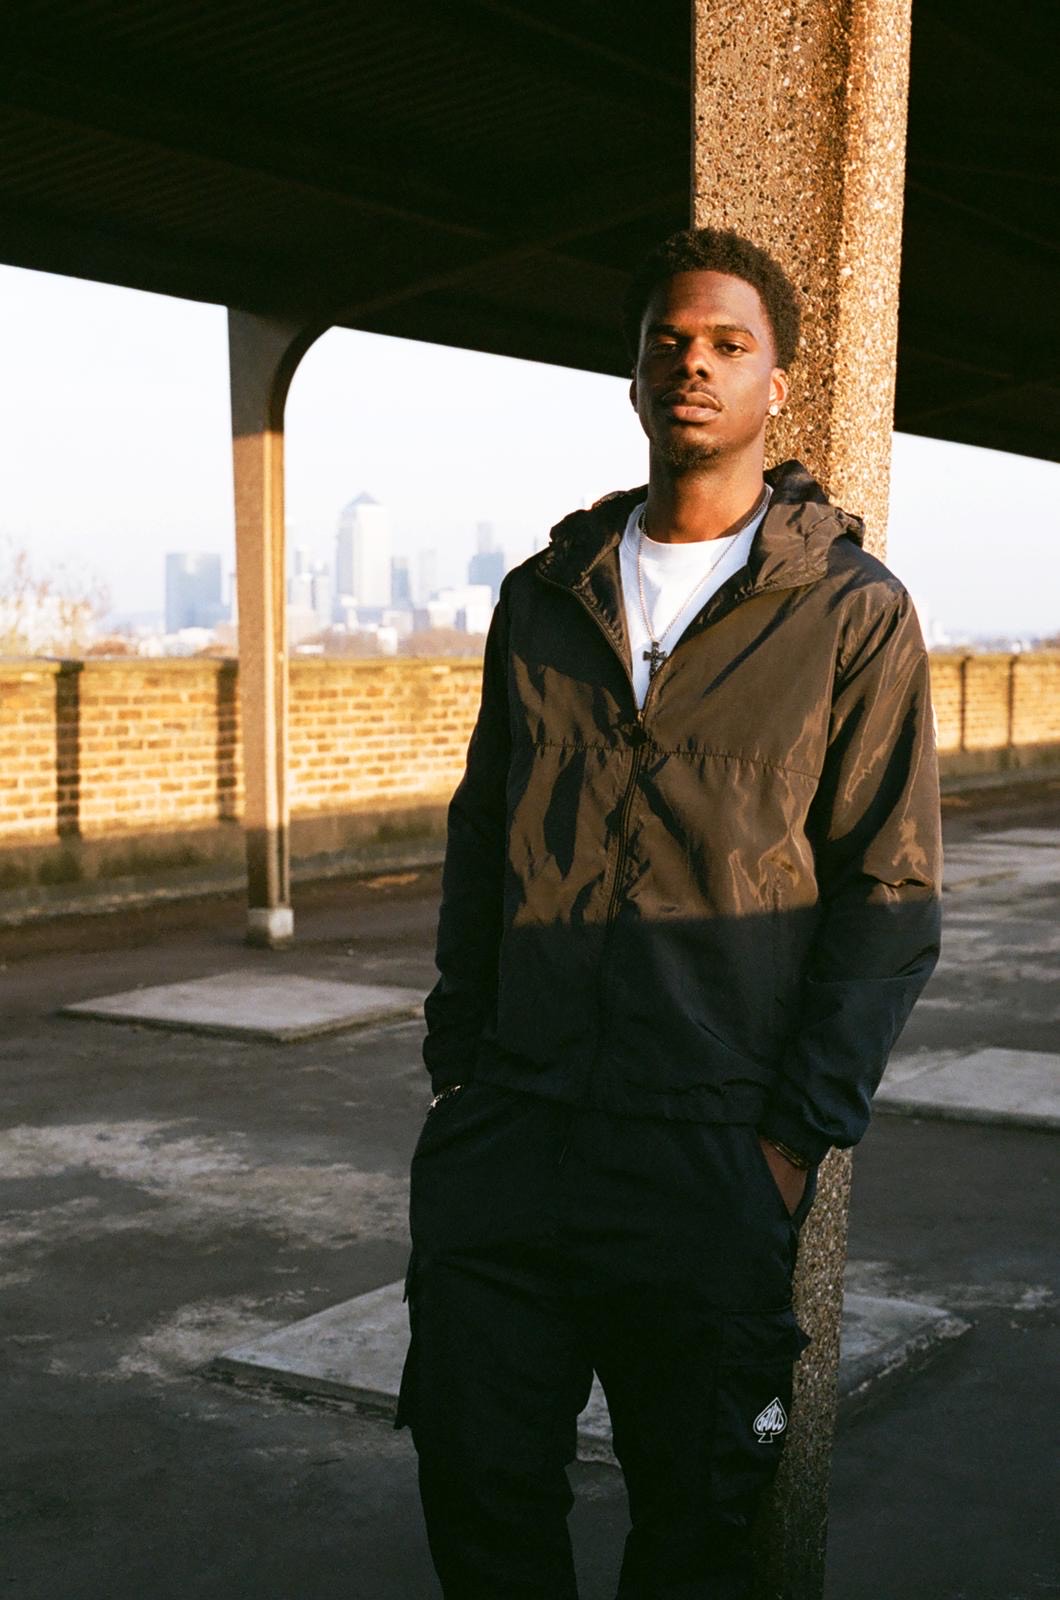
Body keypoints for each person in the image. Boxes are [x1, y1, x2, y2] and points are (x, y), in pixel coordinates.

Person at [395, 227, 942, 1599]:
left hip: (708, 1152)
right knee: (478, 1491)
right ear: (635, 374)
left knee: (699, 1524)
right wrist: (459, 1063)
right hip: (511, 1132)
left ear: (776, 386)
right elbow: (480, 840)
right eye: (667, 341)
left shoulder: (850, 616)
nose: (690, 365)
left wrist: (788, 1139)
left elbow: (888, 890)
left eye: (726, 345)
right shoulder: (544, 599)